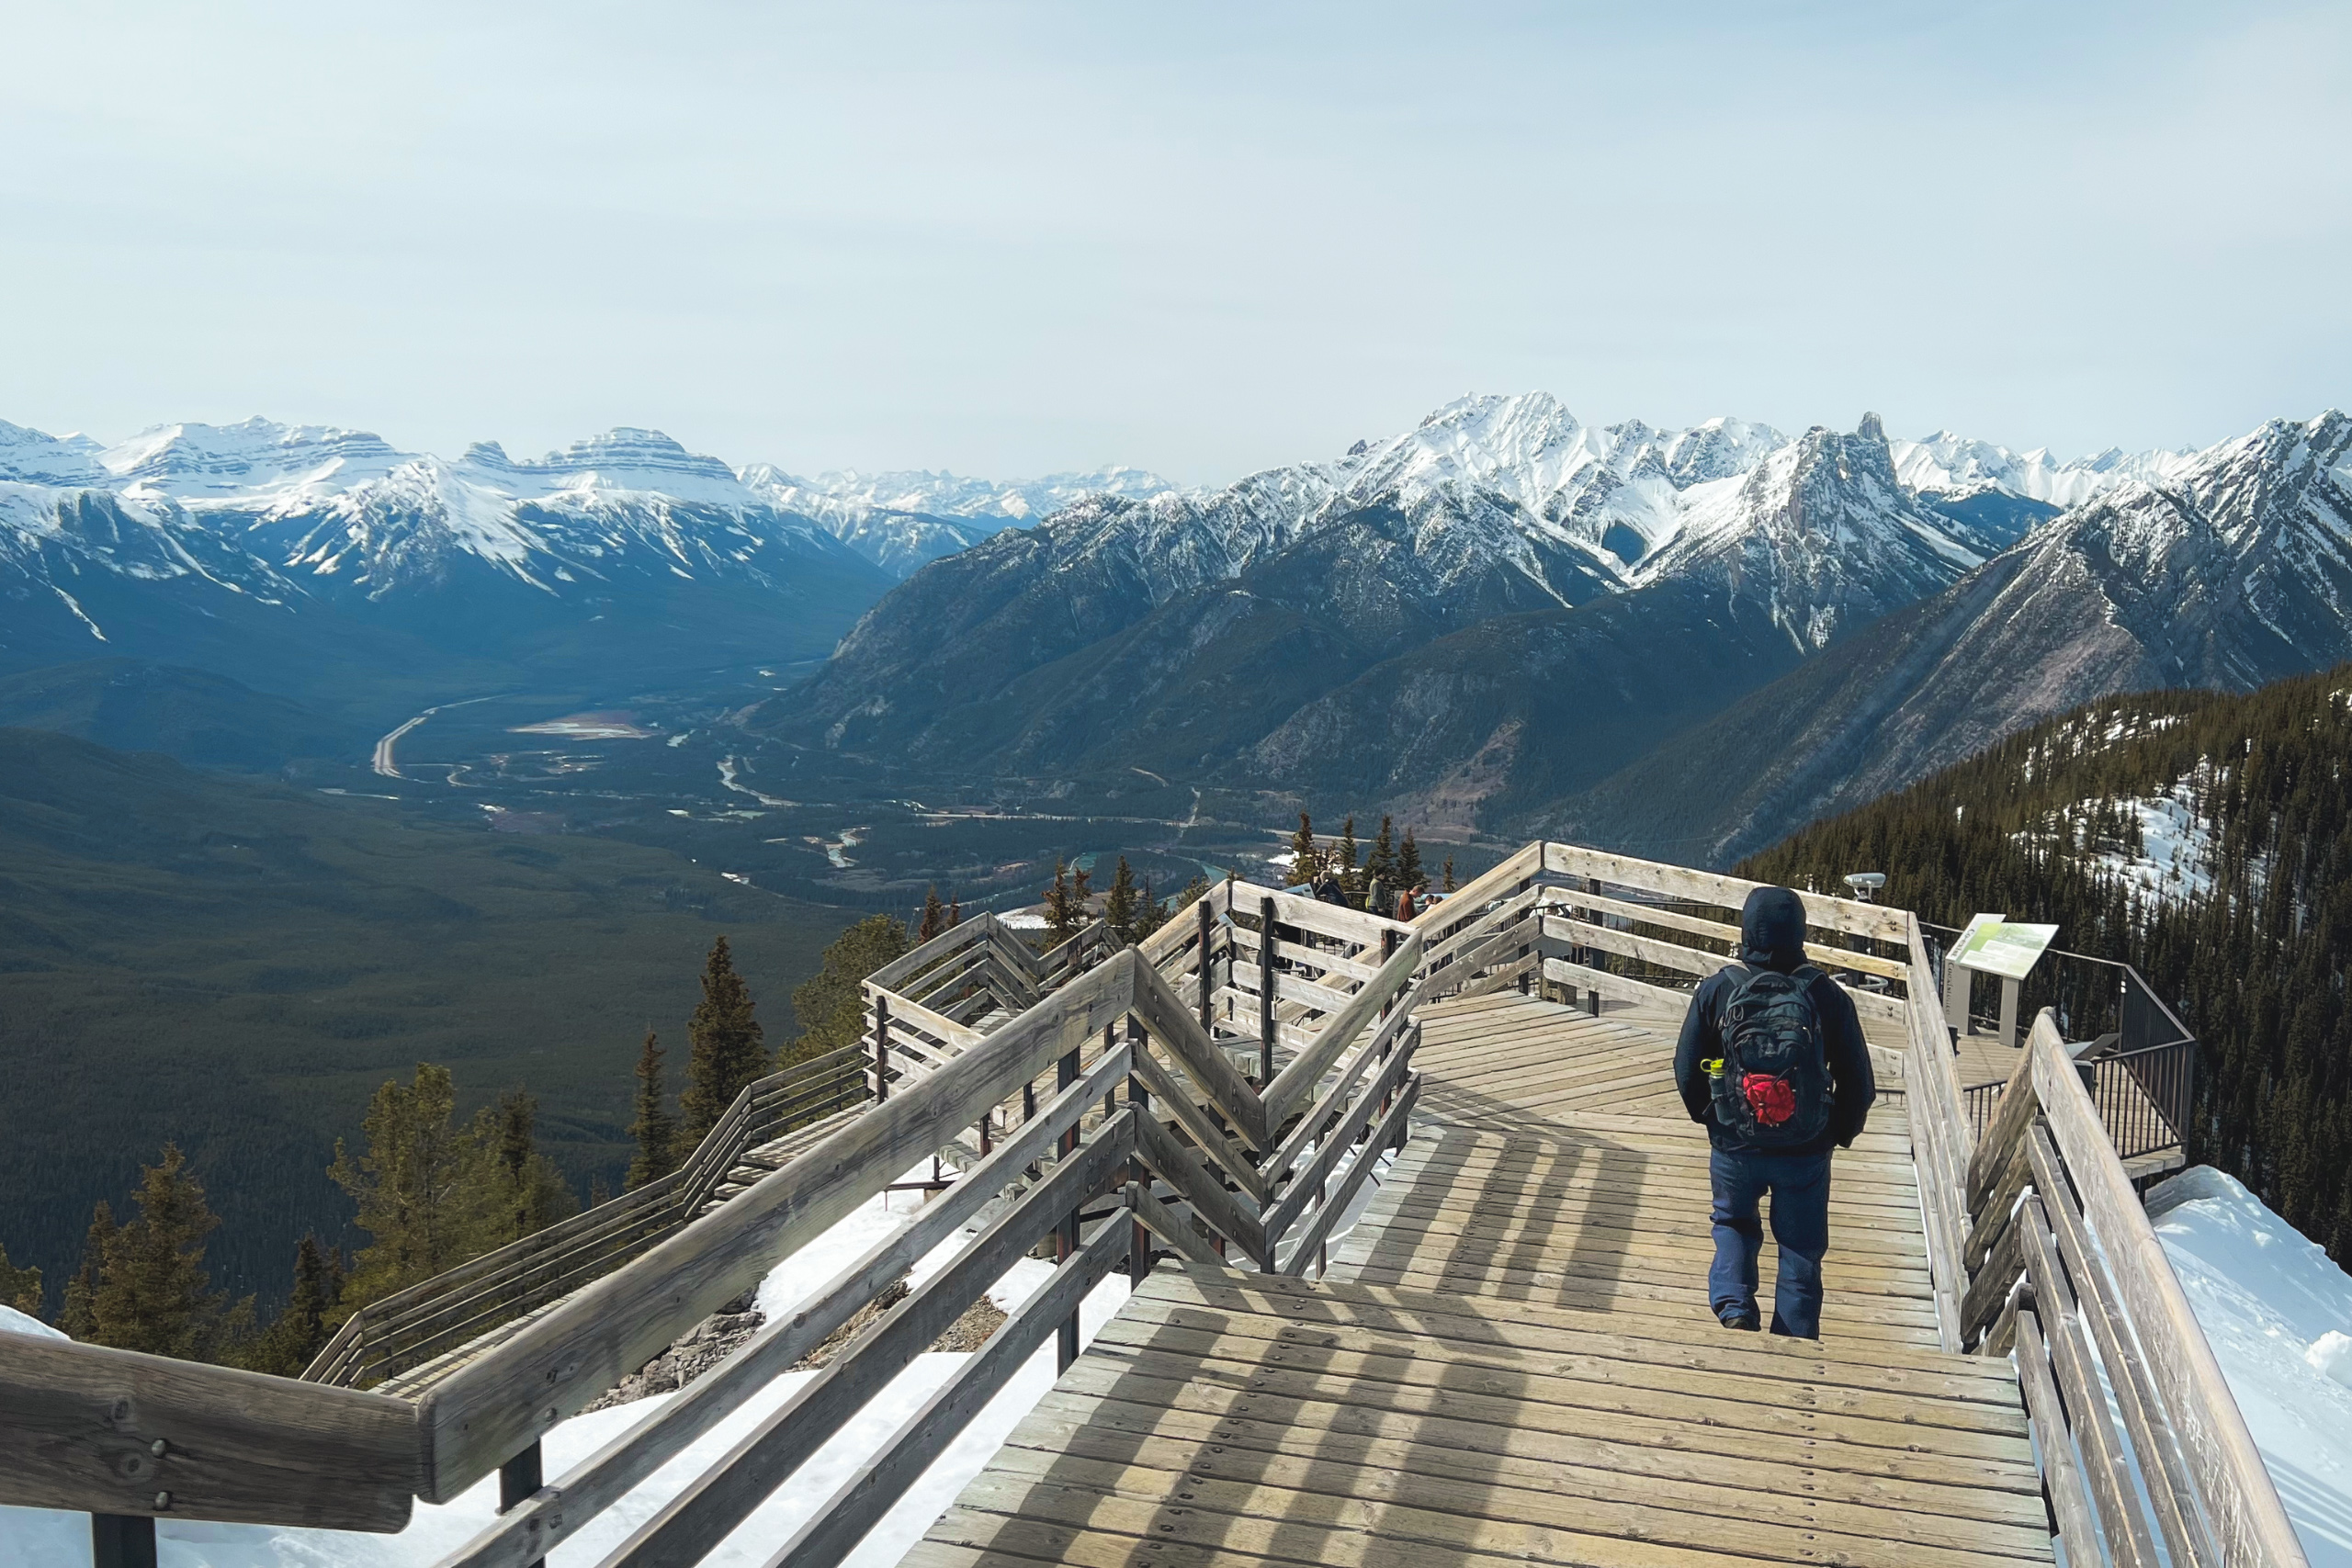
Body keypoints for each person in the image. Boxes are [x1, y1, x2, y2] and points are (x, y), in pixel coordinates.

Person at [1673, 886, 1874, 1338]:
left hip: (1734, 1143)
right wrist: (1834, 1132)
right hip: (1805, 1148)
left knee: (1733, 1222)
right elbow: (1859, 1082)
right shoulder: (1826, 995)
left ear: (1745, 931)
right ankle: (1796, 1335)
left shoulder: (1718, 989)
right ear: (1800, 931)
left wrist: (1713, 1118)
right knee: (1801, 1246)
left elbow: (1686, 1068)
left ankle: (1735, 1306)